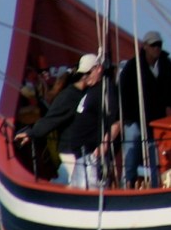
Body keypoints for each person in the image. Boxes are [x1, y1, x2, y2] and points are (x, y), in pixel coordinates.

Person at [15, 53, 111, 182]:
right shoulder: (69, 96)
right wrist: (32, 133)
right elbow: (52, 118)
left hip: (83, 150)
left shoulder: (90, 93)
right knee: (80, 184)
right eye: (85, 73)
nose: (86, 76)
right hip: (70, 152)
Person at [118, 30, 171, 188]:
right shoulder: (133, 66)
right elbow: (123, 92)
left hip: (156, 120)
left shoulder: (165, 65)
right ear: (145, 46)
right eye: (153, 45)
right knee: (131, 154)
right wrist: (127, 117)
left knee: (157, 157)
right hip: (135, 119)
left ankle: (156, 186)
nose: (157, 48)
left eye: (159, 45)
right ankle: (126, 186)